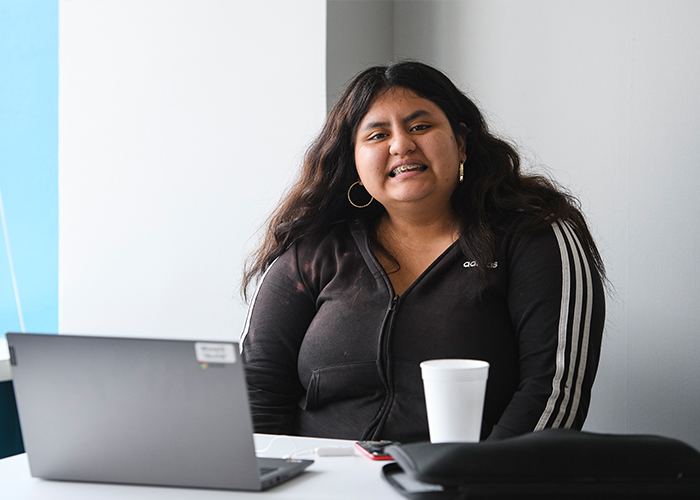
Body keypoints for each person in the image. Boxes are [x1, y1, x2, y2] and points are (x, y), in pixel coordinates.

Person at [240, 61, 606, 443]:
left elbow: (553, 394)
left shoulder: (534, 236)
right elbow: (257, 390)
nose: (401, 145)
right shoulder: (311, 253)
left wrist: (476, 480)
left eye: (420, 126)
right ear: (354, 163)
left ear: (461, 143)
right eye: (377, 135)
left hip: (467, 484)